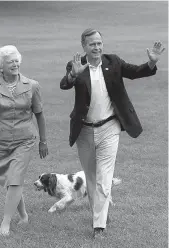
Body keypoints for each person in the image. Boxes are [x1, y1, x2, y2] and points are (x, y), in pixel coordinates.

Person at [60, 28, 165, 240]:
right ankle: (101, 212)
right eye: (92, 44)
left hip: (109, 128)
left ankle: (98, 225)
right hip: (84, 130)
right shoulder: (77, 65)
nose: (97, 47)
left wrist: (152, 62)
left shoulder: (113, 61)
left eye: (99, 43)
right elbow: (65, 84)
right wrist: (73, 74)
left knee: (104, 178)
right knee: (90, 177)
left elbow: (135, 71)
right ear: (84, 46)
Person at [0, 45, 48, 236]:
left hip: (24, 139)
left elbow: (39, 114)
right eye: (10, 62)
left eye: (17, 60)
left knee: (16, 179)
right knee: (9, 181)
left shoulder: (32, 85)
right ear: (1, 66)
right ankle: (23, 215)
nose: (15, 64)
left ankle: (5, 222)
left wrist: (43, 140)